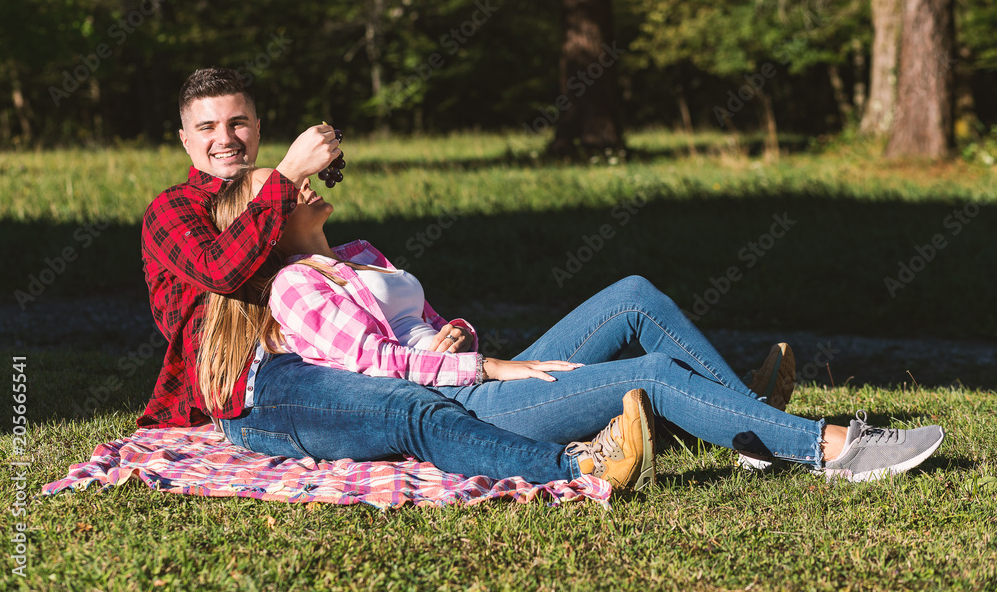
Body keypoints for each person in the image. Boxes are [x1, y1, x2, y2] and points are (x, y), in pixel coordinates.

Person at [199, 165, 947, 485]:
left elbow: (422, 325)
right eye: (285, 190)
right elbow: (374, 370)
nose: (300, 186)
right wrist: (482, 367)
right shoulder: (295, 286)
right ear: (269, 223)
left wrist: (455, 332)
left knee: (632, 293)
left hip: (469, 372)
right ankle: (831, 448)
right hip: (462, 403)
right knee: (649, 375)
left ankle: (752, 437)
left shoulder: (358, 254)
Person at [139, 67, 654, 489]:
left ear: (257, 126)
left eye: (238, 122)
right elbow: (220, 270)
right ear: (185, 139)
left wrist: (443, 335)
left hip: (324, 351)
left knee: (441, 391)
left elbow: (354, 306)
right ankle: (582, 465)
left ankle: (628, 413)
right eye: (207, 128)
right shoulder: (174, 209)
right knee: (408, 406)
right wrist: (288, 174)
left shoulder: (272, 194)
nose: (225, 138)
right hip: (257, 380)